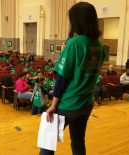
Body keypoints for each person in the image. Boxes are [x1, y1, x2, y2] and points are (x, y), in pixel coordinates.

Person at [40, 2, 104, 155]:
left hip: (68, 104)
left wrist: (53, 105)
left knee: (47, 143)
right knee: (78, 143)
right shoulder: (100, 45)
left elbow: (62, 77)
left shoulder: (74, 43)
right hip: (86, 103)